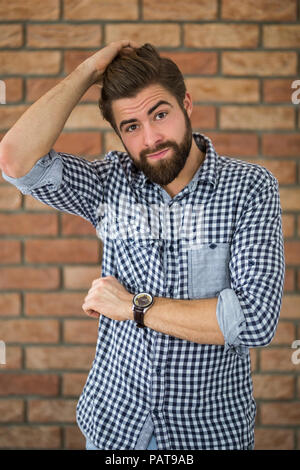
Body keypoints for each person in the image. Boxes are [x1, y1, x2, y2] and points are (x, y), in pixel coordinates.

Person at [0, 40, 285, 450]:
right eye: (132, 126)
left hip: (209, 434)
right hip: (116, 428)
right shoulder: (108, 183)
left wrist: (134, 307)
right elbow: (15, 159)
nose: (152, 138)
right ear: (119, 133)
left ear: (186, 103)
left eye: (160, 114)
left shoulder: (250, 188)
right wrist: (87, 72)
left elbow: (255, 320)